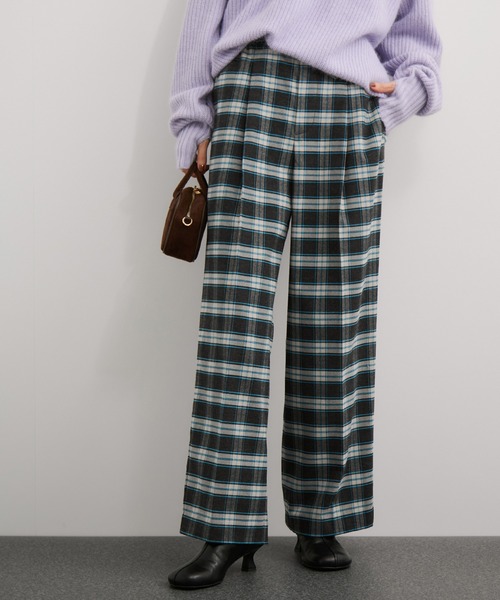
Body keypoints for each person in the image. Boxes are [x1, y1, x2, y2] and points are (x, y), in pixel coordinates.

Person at [167, 0, 442, 590]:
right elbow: (202, 17)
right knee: (234, 326)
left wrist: (400, 97)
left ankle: (321, 517)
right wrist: (193, 122)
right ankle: (226, 525)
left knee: (335, 321)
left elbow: (416, 36)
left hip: (346, 104)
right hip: (251, 95)